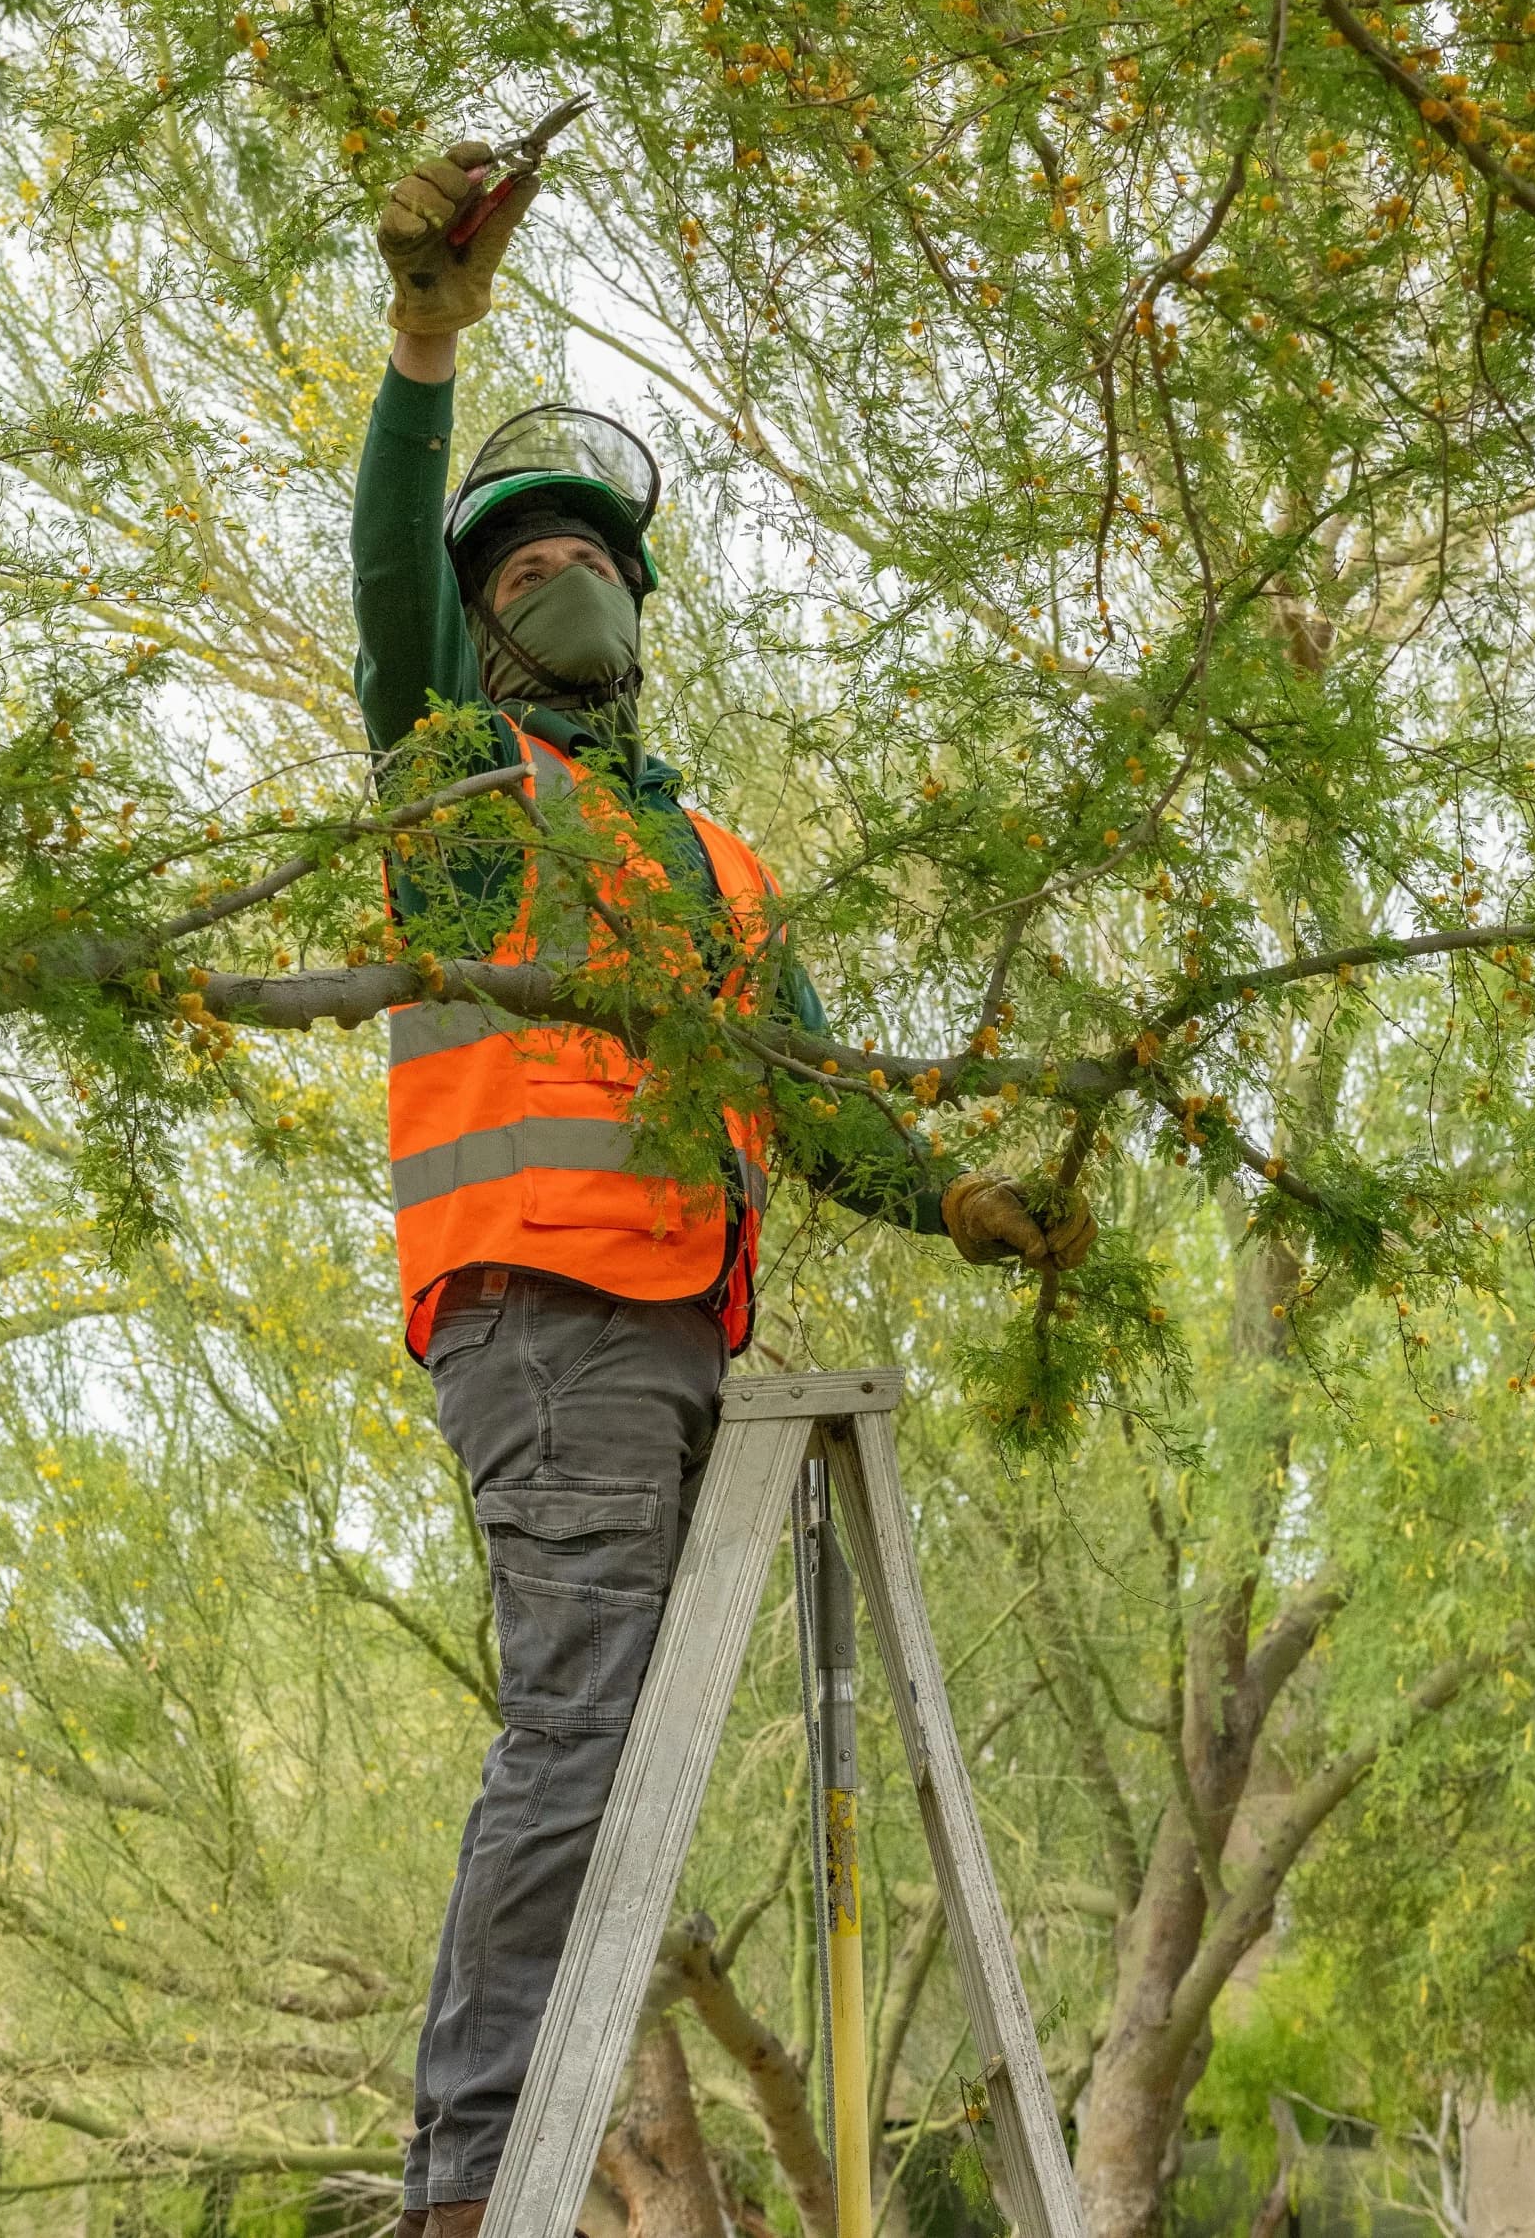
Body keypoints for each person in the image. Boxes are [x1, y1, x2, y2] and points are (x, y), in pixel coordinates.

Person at [352, 141, 1097, 2238]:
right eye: (513, 575)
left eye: (581, 559)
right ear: (482, 638)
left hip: (681, 1339)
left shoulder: (716, 867)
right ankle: (469, 2179)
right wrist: (430, 345)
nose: (545, 582)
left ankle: (505, 2156)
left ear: (641, 622)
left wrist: (953, 1197)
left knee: (623, 1770)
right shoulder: (463, 798)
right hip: (552, 1322)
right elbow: (384, 584)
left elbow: (814, 1092)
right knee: (580, 1741)